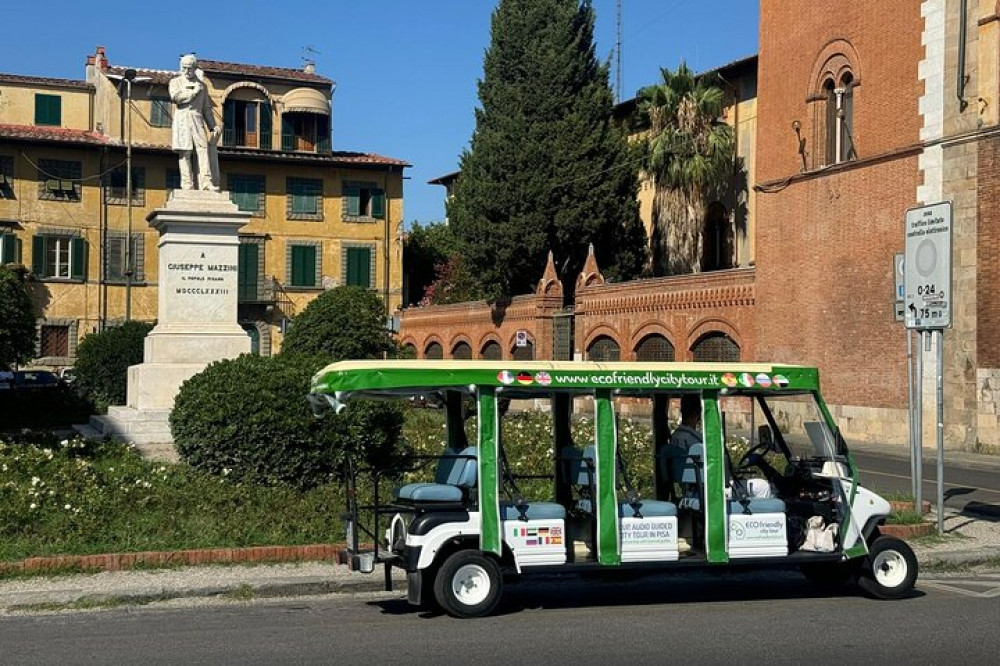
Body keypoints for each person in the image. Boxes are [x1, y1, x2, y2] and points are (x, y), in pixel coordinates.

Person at [169, 54, 221, 192]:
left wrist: (212, 125)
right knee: (185, 151)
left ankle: (206, 182)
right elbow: (176, 97)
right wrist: (193, 93)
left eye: (189, 68)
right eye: (184, 68)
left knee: (203, 150)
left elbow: (206, 109)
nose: (187, 71)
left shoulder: (202, 86)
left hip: (197, 118)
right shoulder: (175, 82)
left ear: (195, 68)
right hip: (182, 118)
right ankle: (187, 184)